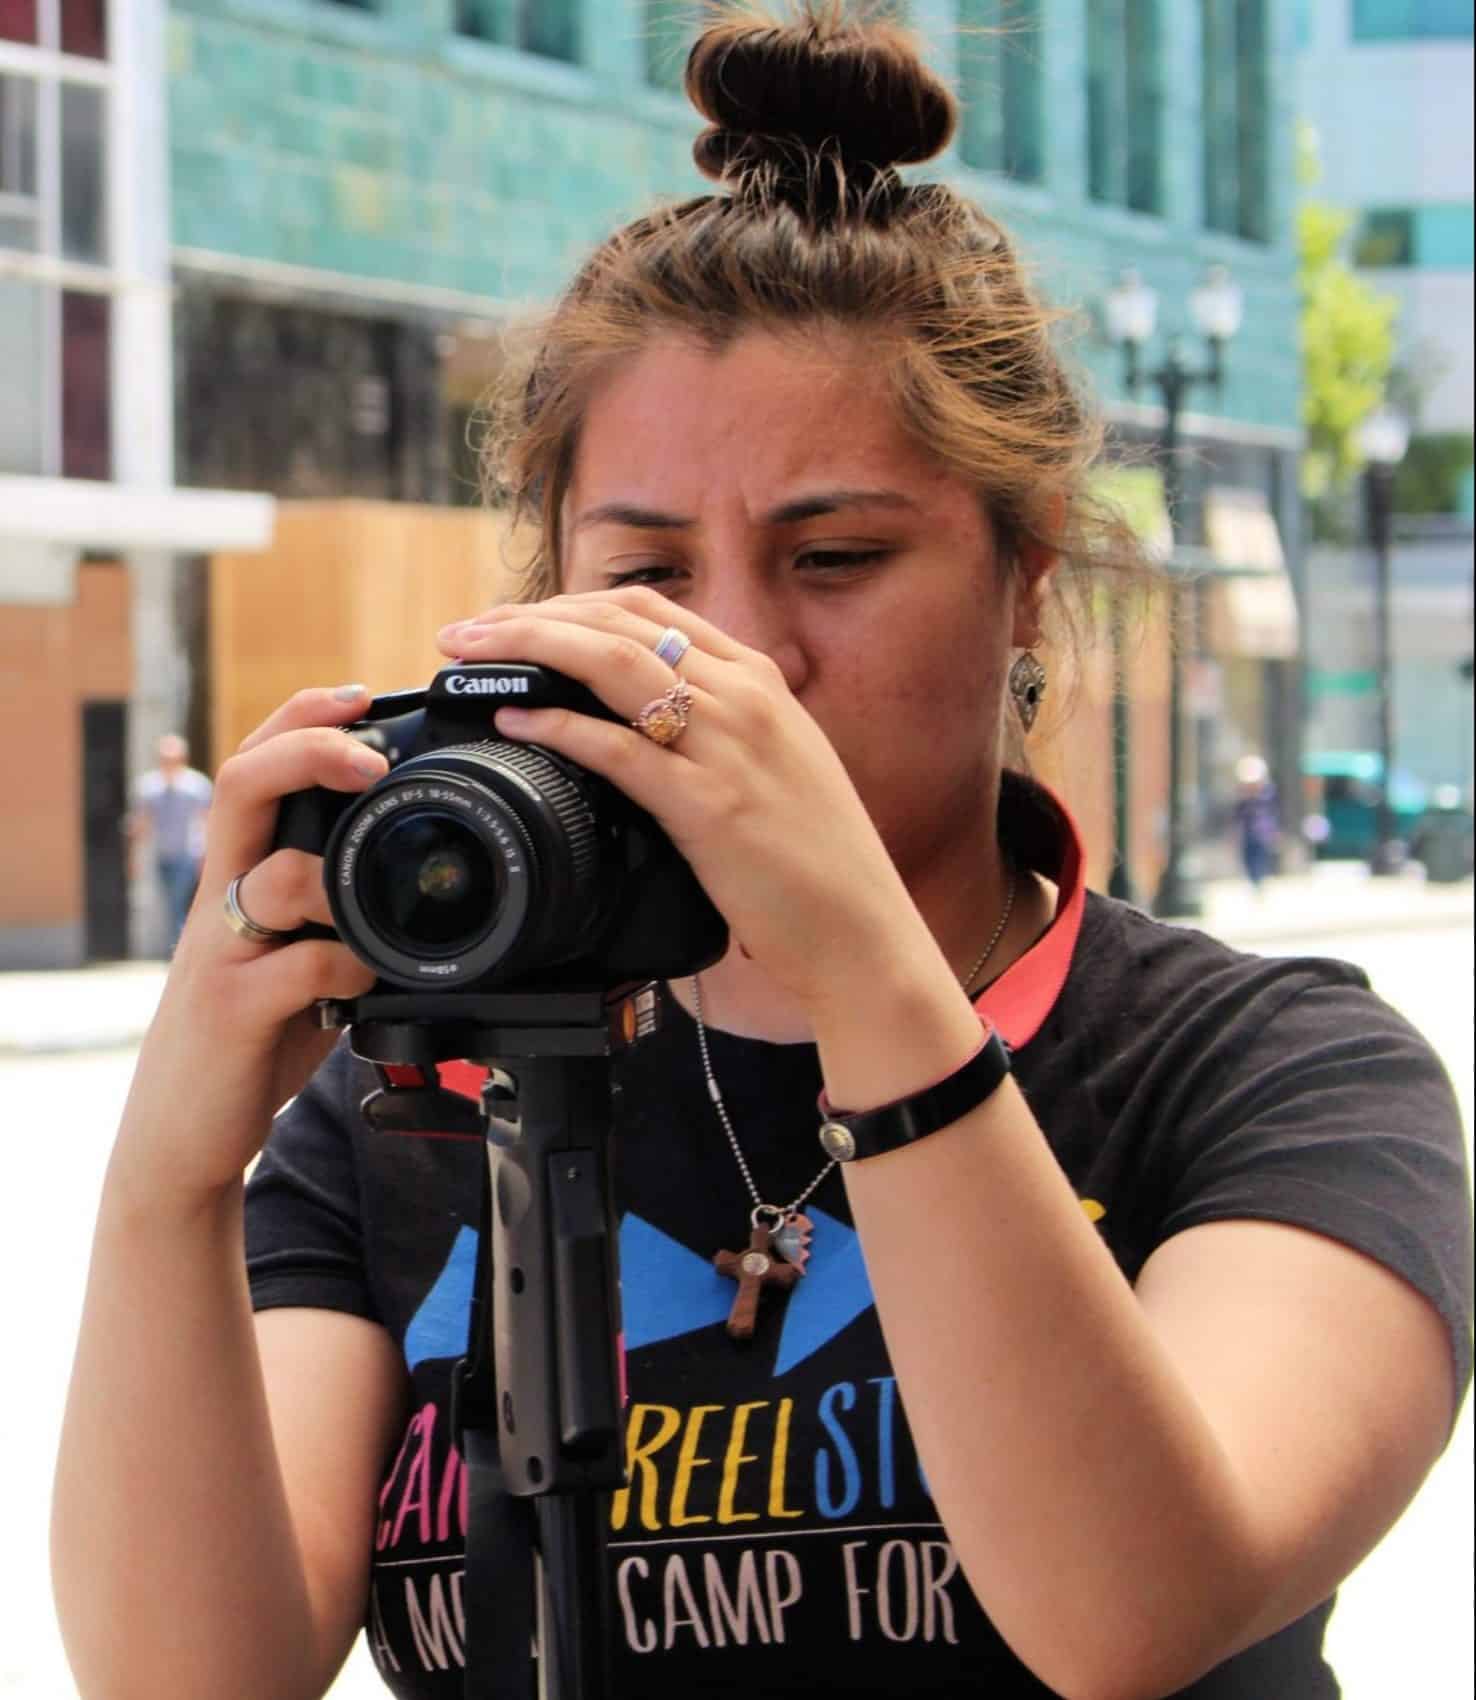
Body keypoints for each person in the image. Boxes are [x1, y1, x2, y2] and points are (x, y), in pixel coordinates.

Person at [52, 7, 1471, 1698]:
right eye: (646, 576)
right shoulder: (416, 1112)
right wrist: (170, 1174)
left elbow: (1129, 1614)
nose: (732, 663)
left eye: (838, 558)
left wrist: (858, 965)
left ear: (1026, 579)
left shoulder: (1265, 1074)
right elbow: (187, 1679)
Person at [126, 732, 213, 955]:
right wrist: (134, 856)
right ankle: (179, 950)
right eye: (164, 759)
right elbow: (142, 823)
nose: (168, 764)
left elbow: (206, 821)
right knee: (169, 905)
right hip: (162, 854)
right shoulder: (149, 787)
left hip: (188, 855)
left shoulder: (196, 786)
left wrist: (206, 855)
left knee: (178, 903)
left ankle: (180, 952)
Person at [1232, 753, 1281, 892]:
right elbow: (1238, 814)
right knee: (1248, 857)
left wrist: (1275, 832)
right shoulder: (1243, 796)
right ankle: (1254, 880)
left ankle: (1258, 881)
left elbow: (1273, 812)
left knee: (1260, 857)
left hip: (1262, 832)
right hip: (1247, 832)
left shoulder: (1267, 794)